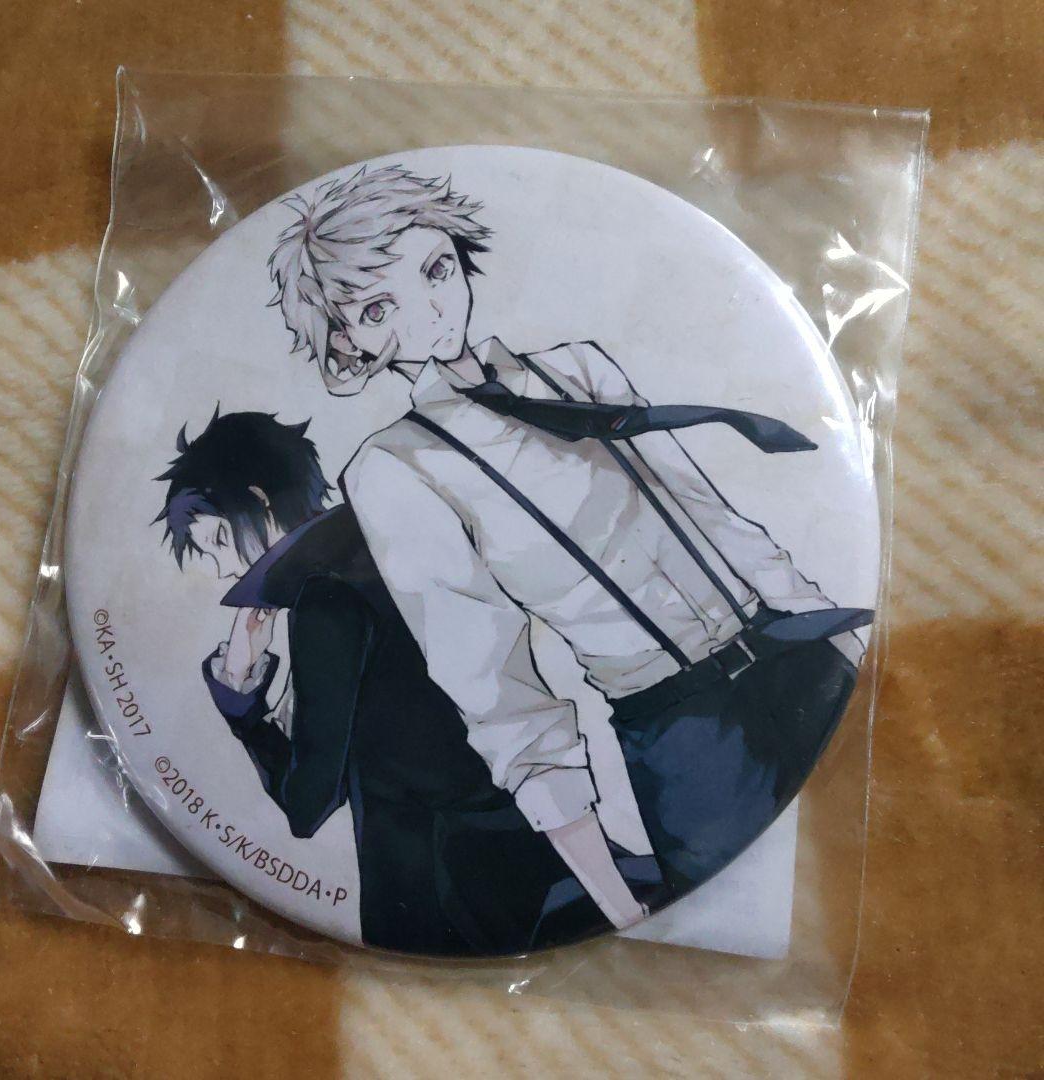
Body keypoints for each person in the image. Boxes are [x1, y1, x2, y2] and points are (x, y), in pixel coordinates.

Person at [268, 164, 871, 897]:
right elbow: (492, 684)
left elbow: (714, 519)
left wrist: (839, 637)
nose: (429, 311)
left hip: (801, 656)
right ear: (348, 345)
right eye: (376, 310)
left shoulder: (577, 370)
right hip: (681, 737)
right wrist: (612, 899)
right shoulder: (394, 469)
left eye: (436, 269)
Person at [153, 409, 659, 957]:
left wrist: (242, 701)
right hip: (524, 847)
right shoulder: (387, 538)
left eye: (219, 540)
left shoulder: (325, 598)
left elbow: (308, 803)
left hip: (447, 891)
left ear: (260, 501)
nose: (223, 569)